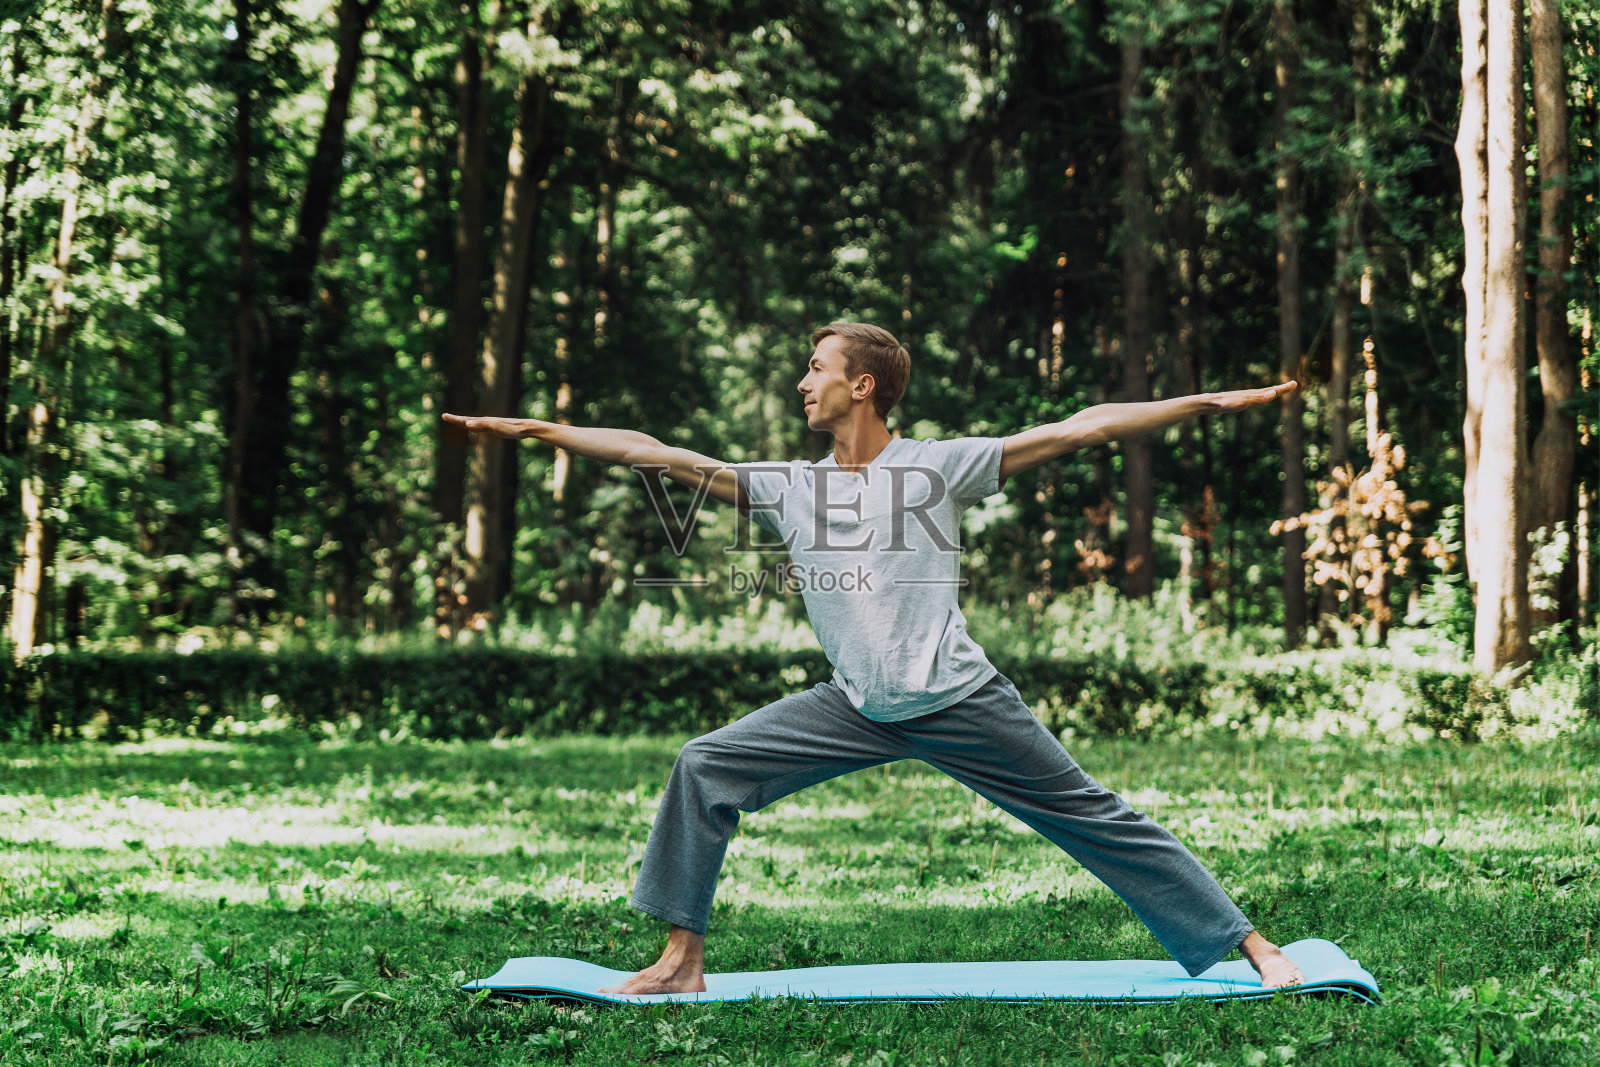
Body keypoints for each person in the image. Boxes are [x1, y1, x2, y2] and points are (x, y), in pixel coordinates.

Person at [444, 321, 1306, 995]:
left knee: (1095, 815)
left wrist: (1210, 404)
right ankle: (679, 958)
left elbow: (1081, 428)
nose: (801, 381)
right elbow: (655, 453)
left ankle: (1251, 944)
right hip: (853, 705)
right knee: (705, 765)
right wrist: (530, 427)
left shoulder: (939, 468)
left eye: (815, 368)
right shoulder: (791, 485)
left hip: (961, 698)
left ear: (861, 385)